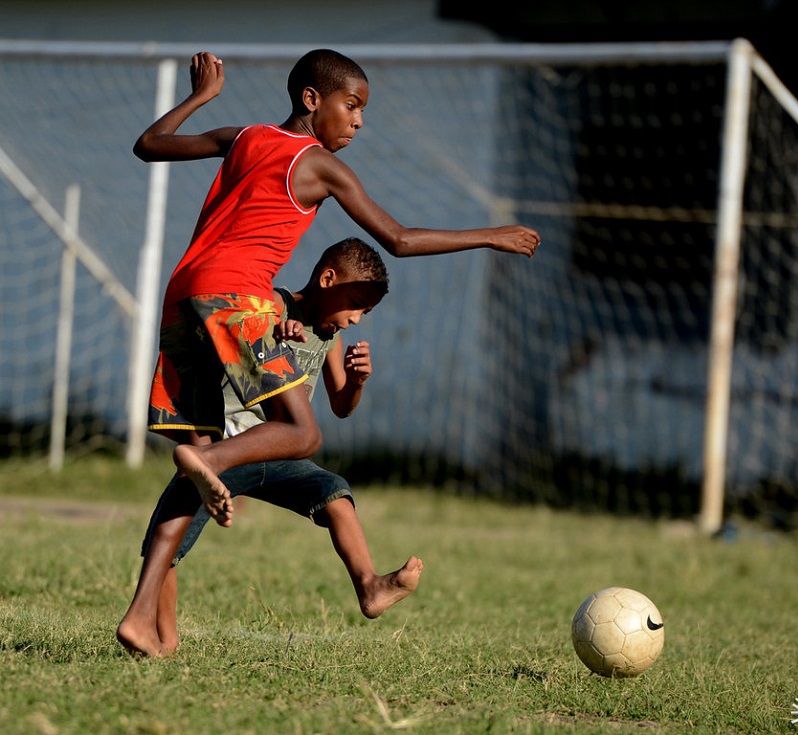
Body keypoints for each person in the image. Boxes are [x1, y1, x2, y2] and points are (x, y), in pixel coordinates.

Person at [138, 49, 541, 528]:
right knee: (300, 432)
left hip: (185, 289)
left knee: (196, 454)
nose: (359, 121)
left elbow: (150, 144)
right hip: (234, 294)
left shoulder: (245, 136)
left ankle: (149, 606)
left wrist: (201, 96)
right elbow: (399, 239)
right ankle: (215, 461)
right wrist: (491, 235)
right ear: (312, 99)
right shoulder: (321, 166)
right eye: (352, 105)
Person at [117, 238, 422, 657]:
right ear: (327, 279)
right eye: (355, 304)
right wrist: (277, 332)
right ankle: (164, 641)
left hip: (281, 454)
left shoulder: (328, 337)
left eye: (365, 312)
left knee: (334, 492)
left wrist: (356, 382)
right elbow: (248, 329)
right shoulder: (272, 306)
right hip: (230, 448)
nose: (355, 319)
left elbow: (340, 407)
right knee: (164, 544)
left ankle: (369, 586)